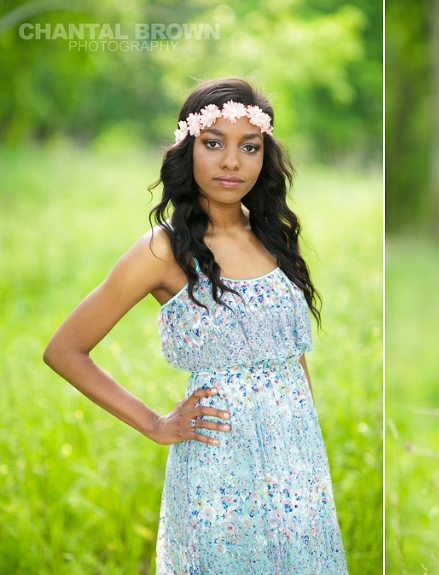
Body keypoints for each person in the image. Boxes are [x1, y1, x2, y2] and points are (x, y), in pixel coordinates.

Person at [44, 77, 348, 573]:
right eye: (214, 144)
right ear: (188, 150)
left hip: (297, 466)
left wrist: (304, 454)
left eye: (249, 147)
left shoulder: (275, 238)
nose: (232, 162)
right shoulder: (163, 249)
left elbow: (292, 359)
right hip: (217, 470)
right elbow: (65, 350)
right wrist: (155, 424)